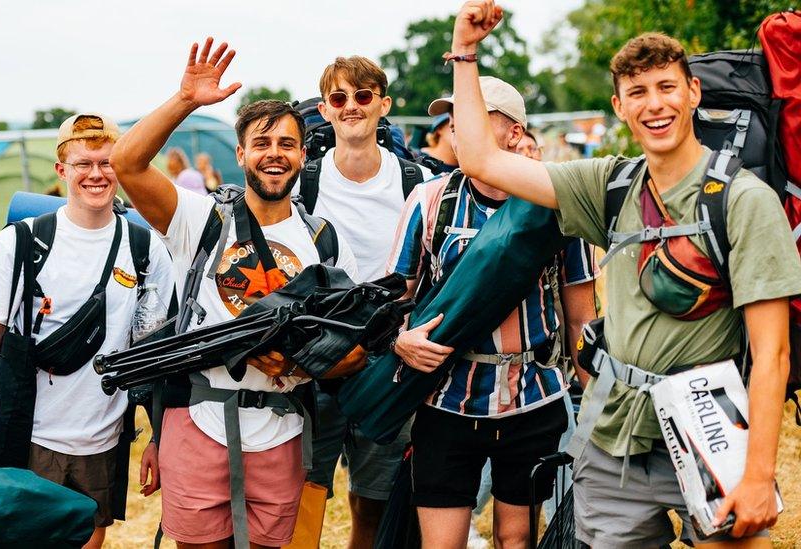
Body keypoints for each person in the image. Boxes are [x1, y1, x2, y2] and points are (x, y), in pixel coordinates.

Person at [449, 2, 801, 546]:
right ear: (619, 106)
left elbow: (771, 353)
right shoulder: (610, 184)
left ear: (693, 94)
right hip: (615, 433)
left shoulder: (743, 201)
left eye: (666, 87)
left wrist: (757, 476)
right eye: (638, 93)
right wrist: (465, 52)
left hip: (710, 432)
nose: (654, 105)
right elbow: (481, 160)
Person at [111, 38, 365, 549]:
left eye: (287, 144)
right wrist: (185, 100)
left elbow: (355, 350)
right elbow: (127, 163)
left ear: (301, 154)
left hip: (284, 430)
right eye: (263, 143)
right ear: (242, 153)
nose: (275, 154)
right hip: (200, 422)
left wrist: (300, 364)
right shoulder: (201, 220)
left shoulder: (323, 240)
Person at [387, 78, 596, 548]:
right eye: (454, 124)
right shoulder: (429, 201)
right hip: (445, 399)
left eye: (476, 121)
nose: (460, 133)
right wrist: (399, 340)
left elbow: (582, 316)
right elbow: (395, 301)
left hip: (532, 398)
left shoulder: (557, 206)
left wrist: (595, 404)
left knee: (516, 539)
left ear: (514, 133)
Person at [0, 113, 173, 549]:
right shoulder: (22, 241)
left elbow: (154, 348)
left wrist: (158, 435)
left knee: (89, 540)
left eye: (106, 162)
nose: (96, 174)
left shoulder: (144, 246)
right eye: (83, 164)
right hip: (27, 431)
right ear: (62, 171)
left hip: (103, 435)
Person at [287, 55, 431, 549]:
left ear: (383, 106)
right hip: (315, 361)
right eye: (339, 98)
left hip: (388, 362)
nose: (351, 107)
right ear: (325, 110)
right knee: (302, 500)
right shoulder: (304, 183)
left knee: (375, 501)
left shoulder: (415, 182)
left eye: (363, 96)